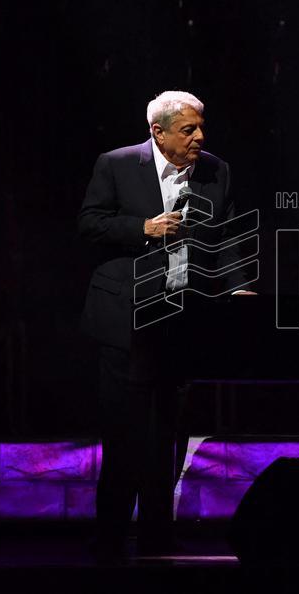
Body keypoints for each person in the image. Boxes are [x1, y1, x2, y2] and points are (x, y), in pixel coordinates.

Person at [78, 90, 250, 563]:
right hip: (126, 318)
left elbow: (231, 233)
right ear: (159, 132)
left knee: (167, 432)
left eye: (200, 127)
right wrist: (144, 228)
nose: (199, 137)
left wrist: (236, 287)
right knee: (123, 432)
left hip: (182, 320)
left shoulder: (216, 170)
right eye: (188, 129)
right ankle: (110, 537)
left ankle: (158, 535)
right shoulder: (116, 164)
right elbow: (89, 223)